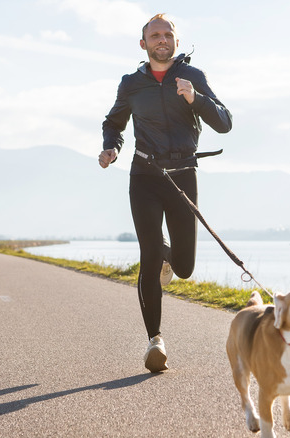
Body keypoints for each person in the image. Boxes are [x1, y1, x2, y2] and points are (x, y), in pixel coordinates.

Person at [99, 13, 232, 373]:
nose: (161, 39)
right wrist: (111, 147)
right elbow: (114, 123)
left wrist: (197, 100)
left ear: (175, 40)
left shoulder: (193, 77)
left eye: (167, 34)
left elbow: (225, 122)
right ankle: (154, 340)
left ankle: (170, 258)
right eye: (154, 35)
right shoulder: (131, 84)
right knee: (149, 253)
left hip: (184, 175)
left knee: (185, 268)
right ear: (143, 44)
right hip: (145, 174)